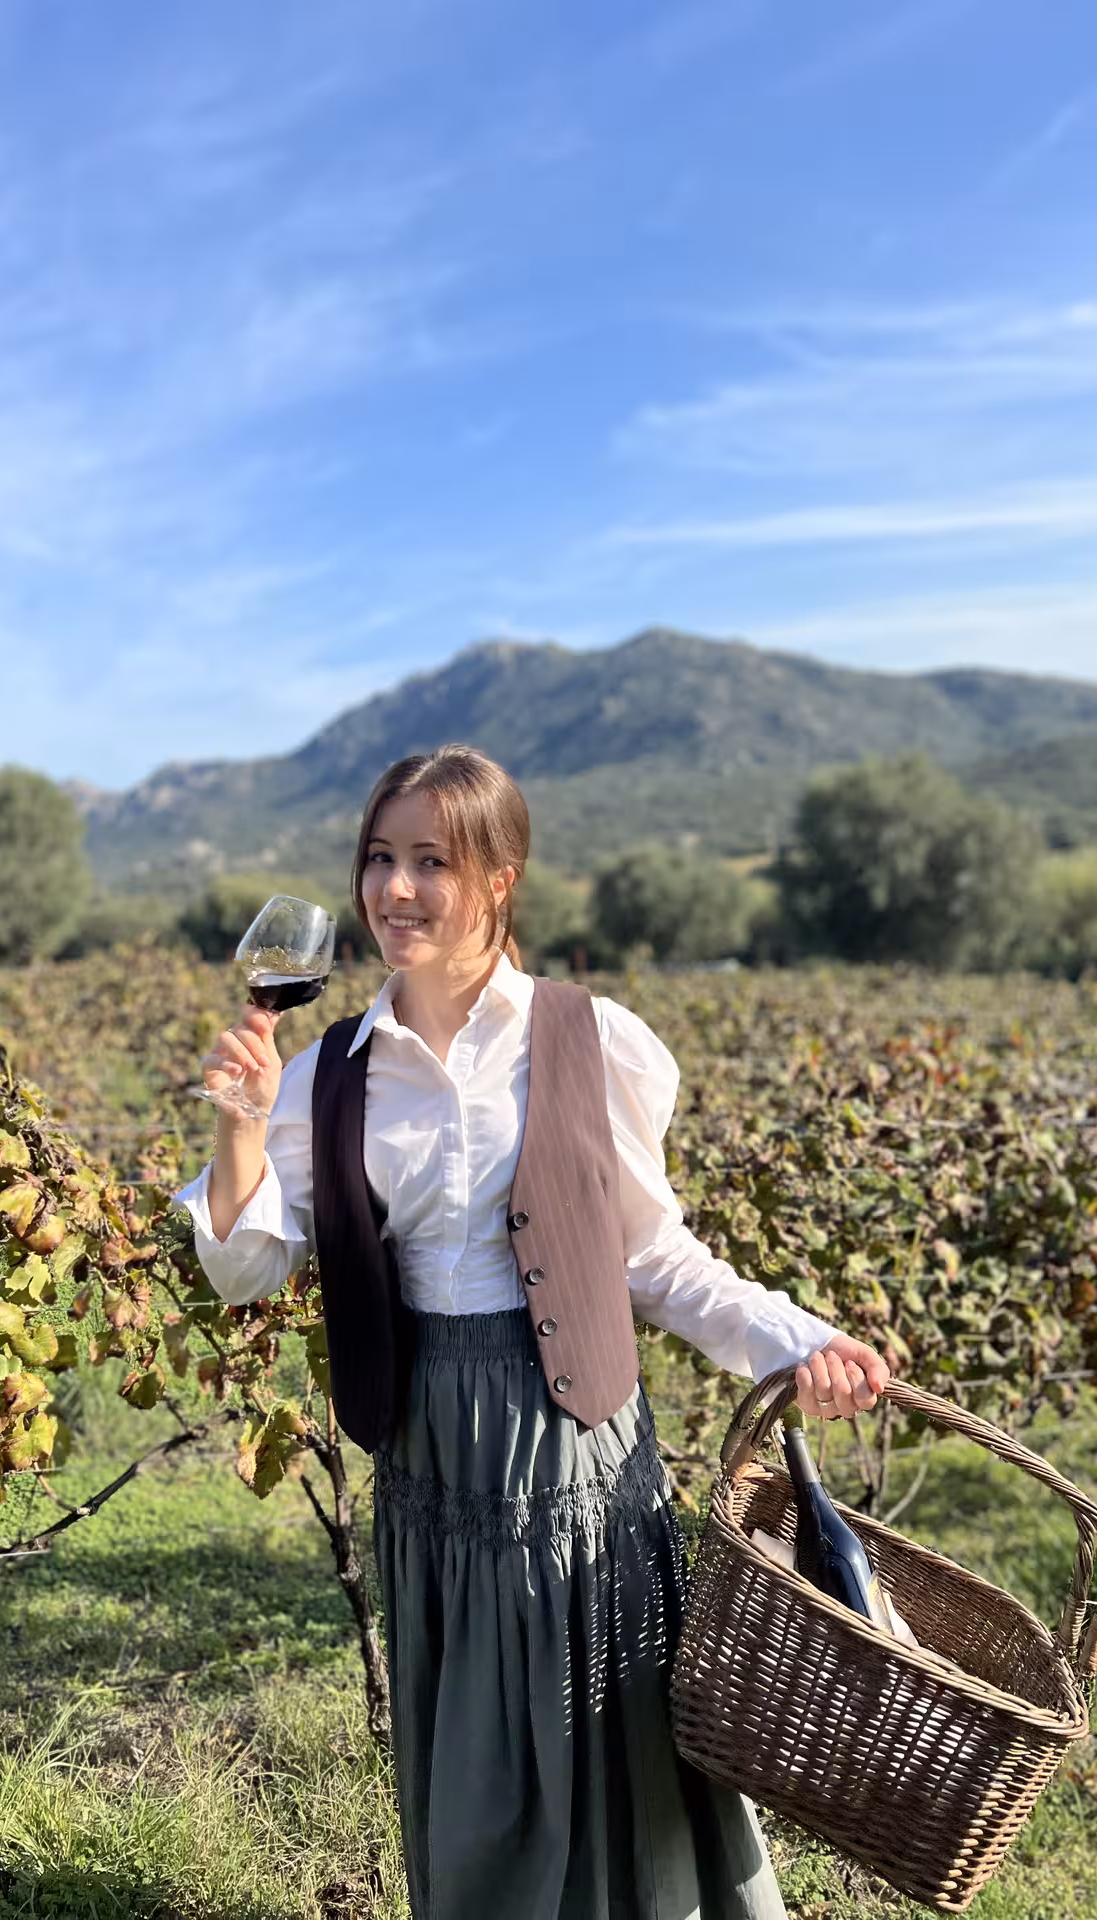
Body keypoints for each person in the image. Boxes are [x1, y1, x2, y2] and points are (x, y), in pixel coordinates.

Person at [175, 744, 892, 1920]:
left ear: (500, 879)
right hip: (434, 1459)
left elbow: (655, 1257)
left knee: (619, 1752)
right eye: (378, 858)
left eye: (430, 863)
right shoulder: (329, 1075)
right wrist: (243, 1127)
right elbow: (246, 1271)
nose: (394, 891)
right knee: (482, 1777)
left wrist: (795, 1340)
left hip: (576, 1450)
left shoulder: (589, 1040)